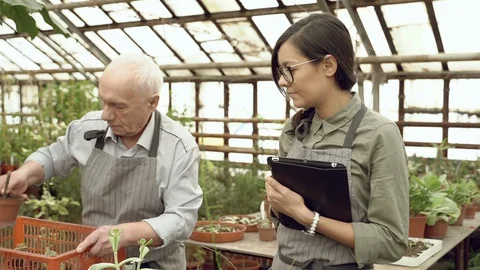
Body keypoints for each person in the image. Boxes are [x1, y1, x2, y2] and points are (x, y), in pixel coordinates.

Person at [0, 53, 203, 269]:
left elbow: (181, 218)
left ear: (152, 102)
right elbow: (51, 156)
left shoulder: (178, 146)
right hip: (94, 261)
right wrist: (24, 175)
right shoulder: (89, 127)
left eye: (119, 106)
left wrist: (122, 235)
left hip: (153, 263)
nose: (106, 115)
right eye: (103, 101)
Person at [264, 13, 409, 270]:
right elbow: (283, 217)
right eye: (280, 71)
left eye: (290, 69)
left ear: (328, 65)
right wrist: (276, 205)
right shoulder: (295, 128)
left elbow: (392, 241)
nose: (283, 81)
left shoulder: (379, 133)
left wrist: (307, 217)